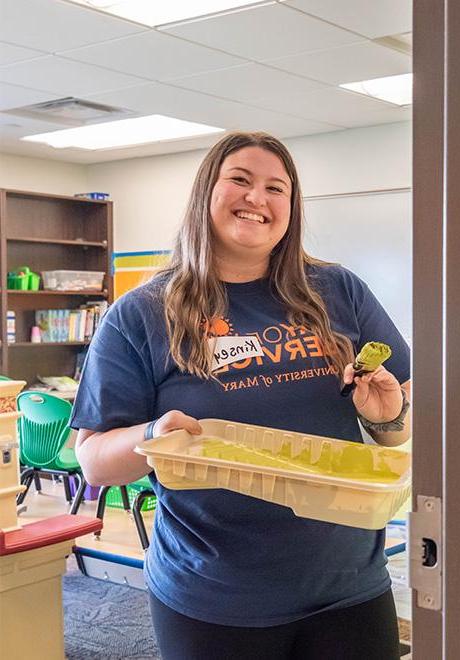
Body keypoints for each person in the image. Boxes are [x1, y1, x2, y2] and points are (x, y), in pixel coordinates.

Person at [72, 131, 412, 660]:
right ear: (206, 192)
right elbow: (93, 462)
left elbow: (401, 427)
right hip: (214, 598)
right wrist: (152, 437)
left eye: (277, 188)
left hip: (349, 586)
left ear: (291, 209)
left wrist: (389, 417)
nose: (258, 198)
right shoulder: (141, 314)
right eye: (240, 180)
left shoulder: (338, 290)